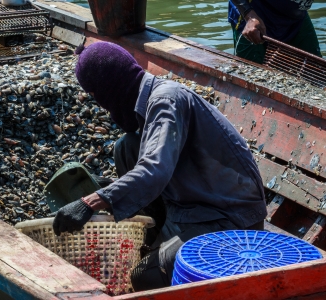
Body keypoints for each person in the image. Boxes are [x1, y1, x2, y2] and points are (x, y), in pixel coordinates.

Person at [52, 41, 267, 291]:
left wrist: (90, 203)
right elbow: (156, 161)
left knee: (145, 276)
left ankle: (162, 256)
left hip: (231, 219)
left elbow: (155, 170)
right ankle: (155, 233)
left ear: (110, 88)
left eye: (98, 97)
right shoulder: (153, 98)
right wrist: (113, 189)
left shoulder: (166, 100)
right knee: (127, 146)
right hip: (192, 207)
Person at [228, 0, 322, 64]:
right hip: (256, 14)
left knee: (318, 71)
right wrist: (249, 16)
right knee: (249, 74)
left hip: (296, 18)